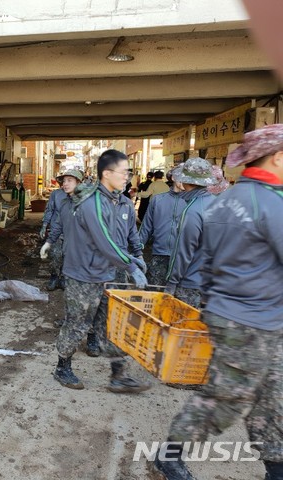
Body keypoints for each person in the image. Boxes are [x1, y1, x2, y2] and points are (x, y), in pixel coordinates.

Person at [154, 124, 283, 480]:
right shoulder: (269, 204)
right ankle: (170, 454)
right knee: (226, 399)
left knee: (273, 398)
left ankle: (277, 466)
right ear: (278, 157)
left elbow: (201, 257)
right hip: (252, 320)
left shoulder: (226, 201)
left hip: (242, 314)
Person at [40, 149, 150, 393]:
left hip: (106, 273)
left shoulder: (114, 201)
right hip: (82, 275)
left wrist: (131, 256)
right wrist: (130, 264)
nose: (127, 176)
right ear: (107, 173)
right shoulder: (93, 202)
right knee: (77, 324)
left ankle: (119, 375)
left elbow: (115, 238)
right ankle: (62, 367)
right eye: (123, 172)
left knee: (111, 325)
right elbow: (104, 241)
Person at [164, 158, 217, 308]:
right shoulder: (218, 203)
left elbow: (182, 252)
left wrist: (172, 282)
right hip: (212, 285)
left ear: (186, 181)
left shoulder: (192, 210)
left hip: (190, 284)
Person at [39, 167, 84, 291]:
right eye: (64, 181)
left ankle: (64, 277)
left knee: (68, 256)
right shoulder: (57, 195)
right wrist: (45, 225)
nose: (65, 184)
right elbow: (50, 210)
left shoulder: (84, 199)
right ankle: (54, 277)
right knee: (55, 255)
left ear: (78, 183)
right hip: (56, 231)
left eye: (70, 180)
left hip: (72, 234)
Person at [138, 170, 185, 286]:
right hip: (159, 254)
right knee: (154, 294)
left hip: (182, 257)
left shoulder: (192, 201)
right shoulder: (157, 200)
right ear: (173, 178)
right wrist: (137, 251)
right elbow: (146, 227)